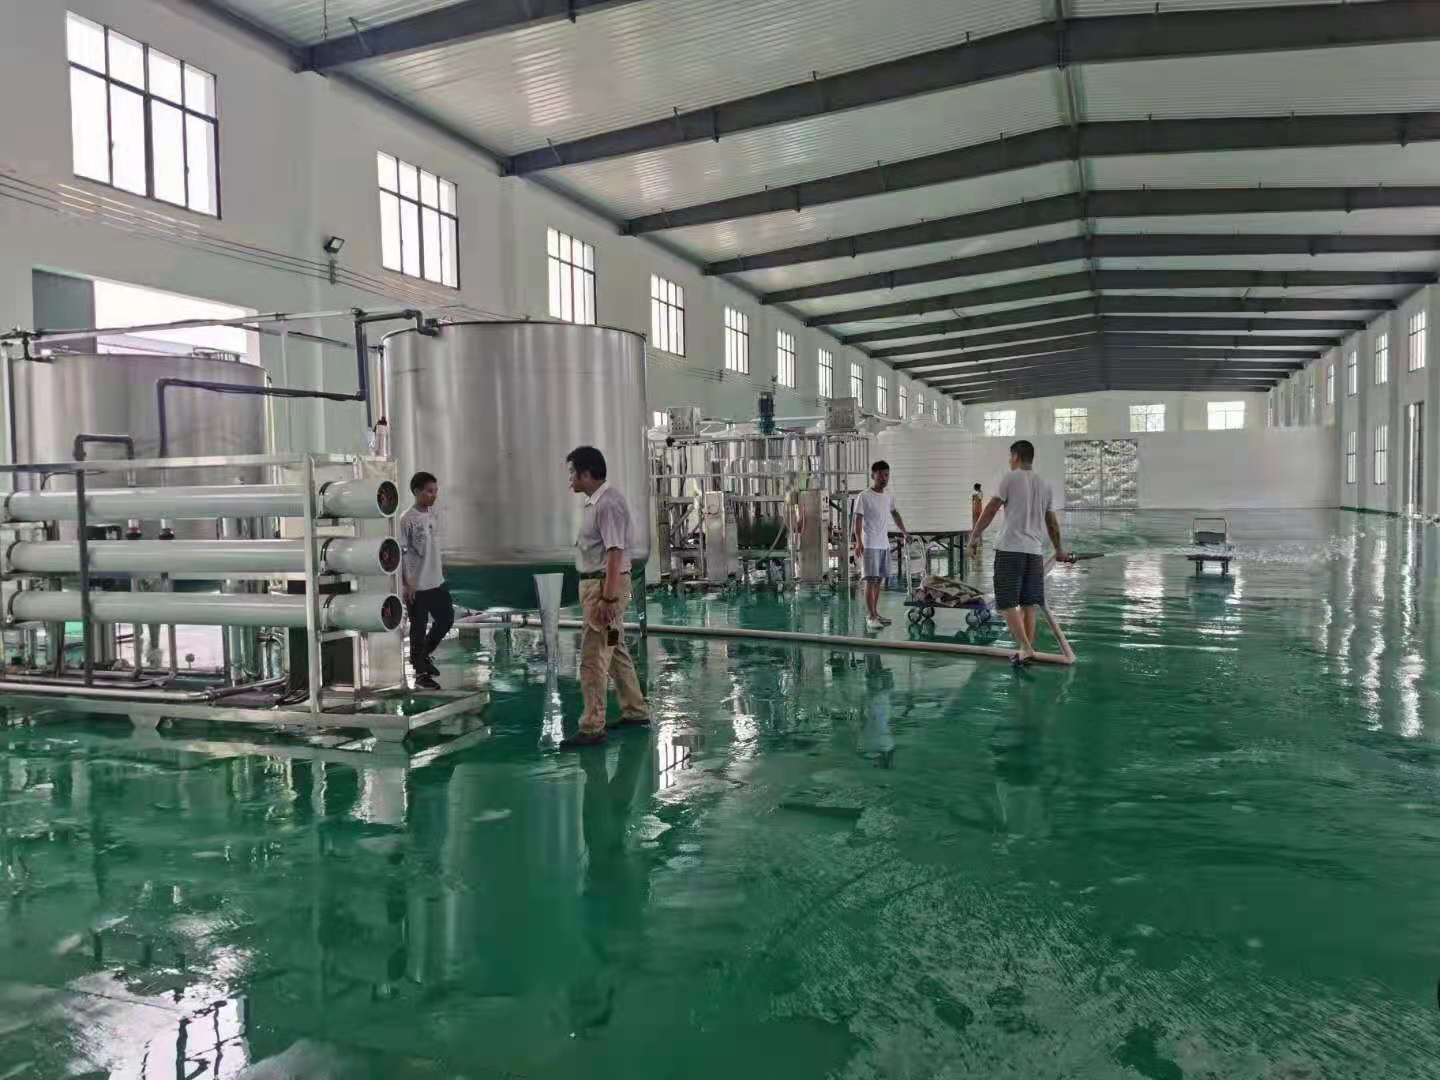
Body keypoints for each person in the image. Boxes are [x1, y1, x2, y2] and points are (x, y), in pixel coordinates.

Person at [562, 445, 649, 749]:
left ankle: (592, 727)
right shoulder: (596, 502)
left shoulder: (608, 504)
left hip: (603, 587)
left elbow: (615, 553)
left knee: (593, 658)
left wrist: (608, 599)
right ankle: (635, 710)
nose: (570, 479)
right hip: (599, 585)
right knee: (615, 650)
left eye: (572, 473)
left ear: (586, 474)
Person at [969, 440, 1068, 667]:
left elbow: (991, 509)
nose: (1009, 460)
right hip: (1034, 552)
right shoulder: (1045, 485)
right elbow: (1051, 522)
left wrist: (974, 536)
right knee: (1028, 604)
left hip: (1010, 549)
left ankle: (1025, 647)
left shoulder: (1010, 478)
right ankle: (1026, 651)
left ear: (1015, 456)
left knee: (1005, 603)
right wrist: (1059, 549)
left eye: (1009, 456)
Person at [399, 470, 453, 690]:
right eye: (429, 491)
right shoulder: (406, 519)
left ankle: (423, 656)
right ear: (416, 491)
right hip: (417, 585)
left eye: (435, 491)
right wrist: (407, 583)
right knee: (418, 628)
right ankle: (420, 674)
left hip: (436, 581)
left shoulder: (433, 514)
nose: (434, 495)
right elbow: (402, 553)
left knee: (446, 619)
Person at [852, 460, 909, 632]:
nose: (884, 478)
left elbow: (895, 513)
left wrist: (904, 532)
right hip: (870, 544)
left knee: (878, 581)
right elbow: (857, 519)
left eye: (887, 475)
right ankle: (870, 616)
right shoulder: (864, 496)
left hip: (884, 545)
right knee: (870, 581)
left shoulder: (888, 496)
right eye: (881, 475)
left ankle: (875, 613)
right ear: (873, 475)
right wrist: (858, 541)